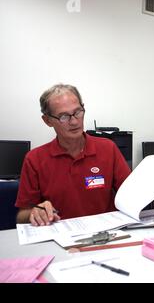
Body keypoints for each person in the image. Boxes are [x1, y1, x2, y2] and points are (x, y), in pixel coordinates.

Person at [15, 84, 131, 226]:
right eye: (64, 116)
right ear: (47, 121)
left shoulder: (108, 148)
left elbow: (130, 196)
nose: (75, 121)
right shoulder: (34, 159)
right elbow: (21, 215)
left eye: (78, 112)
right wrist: (36, 212)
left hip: (104, 236)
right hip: (59, 239)